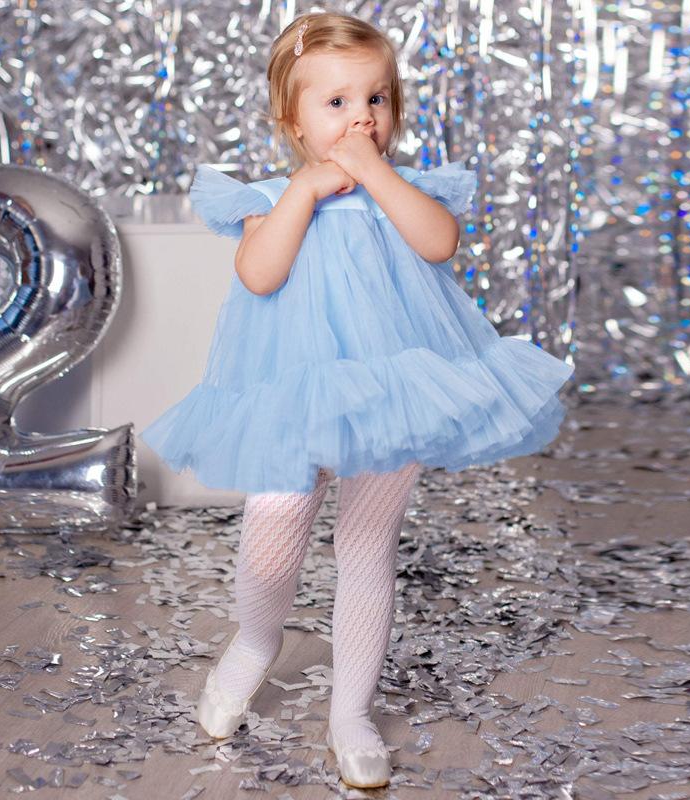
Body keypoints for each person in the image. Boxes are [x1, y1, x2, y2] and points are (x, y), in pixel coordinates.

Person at [141, 11, 574, 790]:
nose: (362, 118)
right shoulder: (269, 195)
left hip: (391, 389)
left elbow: (438, 243)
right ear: (293, 122)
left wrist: (377, 176)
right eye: (337, 103)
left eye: (377, 99)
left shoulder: (397, 192)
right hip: (294, 389)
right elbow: (260, 275)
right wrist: (304, 190)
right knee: (273, 533)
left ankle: (351, 712)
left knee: (367, 544)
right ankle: (256, 639)